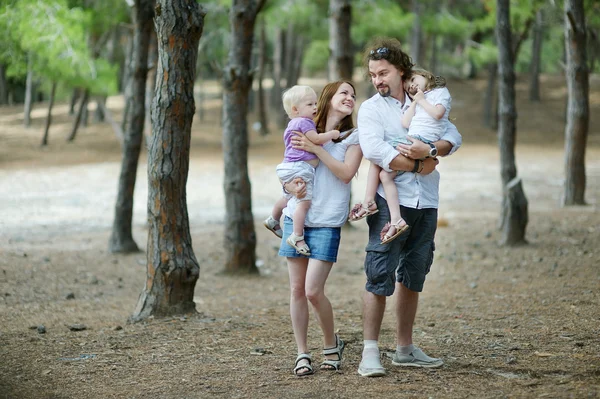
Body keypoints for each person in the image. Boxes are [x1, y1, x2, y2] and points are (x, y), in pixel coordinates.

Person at [356, 37, 462, 377]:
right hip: (392, 203)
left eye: (383, 73)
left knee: (414, 273)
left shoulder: (427, 98)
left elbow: (453, 136)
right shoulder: (373, 108)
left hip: (426, 201)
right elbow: (374, 149)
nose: (377, 80)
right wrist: (418, 163)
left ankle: (404, 349)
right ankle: (369, 352)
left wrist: (433, 150)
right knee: (379, 272)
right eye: (372, 74)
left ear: (402, 71)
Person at [278, 81, 362, 377]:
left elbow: (345, 174)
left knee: (313, 290)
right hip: (296, 218)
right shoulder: (302, 126)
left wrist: (318, 147)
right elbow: (289, 167)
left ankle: (331, 344)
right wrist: (287, 186)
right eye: (344, 93)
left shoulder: (352, 137)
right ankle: (302, 353)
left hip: (327, 220)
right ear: (327, 97)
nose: (350, 98)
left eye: (353, 95)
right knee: (296, 289)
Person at [349, 67, 452, 246]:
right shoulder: (412, 101)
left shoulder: (439, 94)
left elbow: (451, 135)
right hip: (414, 141)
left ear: (427, 76)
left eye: (414, 80)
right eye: (373, 75)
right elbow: (404, 123)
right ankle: (390, 215)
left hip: (421, 142)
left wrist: (429, 150)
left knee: (382, 156)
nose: (412, 85)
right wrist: (416, 102)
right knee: (383, 169)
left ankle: (370, 202)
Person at [264, 85, 340, 256]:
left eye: (315, 103)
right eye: (310, 104)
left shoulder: (292, 124)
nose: (315, 107)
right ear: (295, 109)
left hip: (288, 166)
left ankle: (273, 219)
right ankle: (297, 236)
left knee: (288, 196)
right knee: (303, 203)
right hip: (300, 168)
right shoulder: (304, 122)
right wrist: (332, 134)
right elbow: (316, 139)